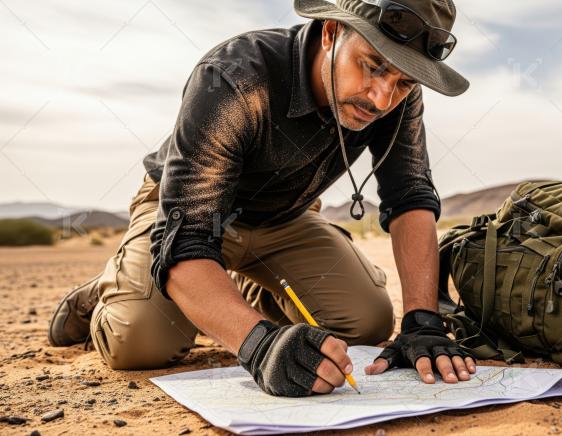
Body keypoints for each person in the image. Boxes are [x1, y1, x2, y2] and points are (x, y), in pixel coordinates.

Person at [47, 0, 476, 397]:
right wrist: (258, 344)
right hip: (189, 216)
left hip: (285, 218)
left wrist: (423, 320)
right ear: (330, 33)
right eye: (372, 66)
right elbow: (188, 237)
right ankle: (106, 292)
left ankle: (239, 289)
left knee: (365, 323)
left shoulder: (397, 97)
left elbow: (410, 196)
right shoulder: (235, 74)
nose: (381, 97)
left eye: (403, 81)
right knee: (140, 344)